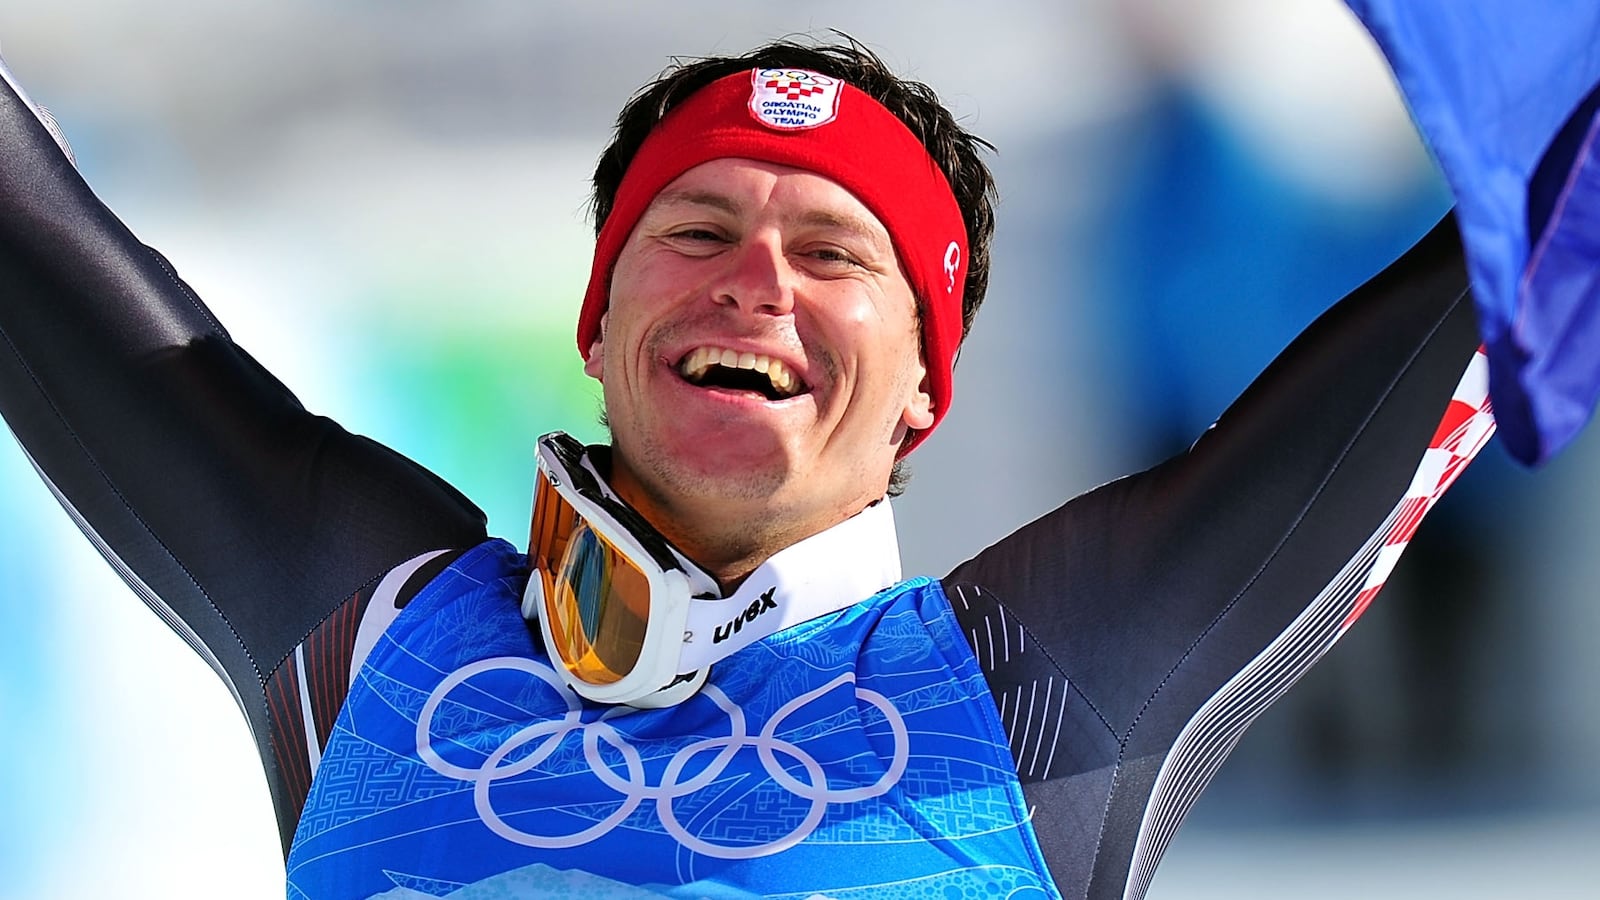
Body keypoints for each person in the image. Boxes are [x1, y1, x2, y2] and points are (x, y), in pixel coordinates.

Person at [0, 34, 1504, 900]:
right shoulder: (380, 635)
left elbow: (1520, 262)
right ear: (598, 325)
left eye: (834, 254)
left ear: (924, 393)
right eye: (698, 230)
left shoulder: (1043, 688)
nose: (755, 282)